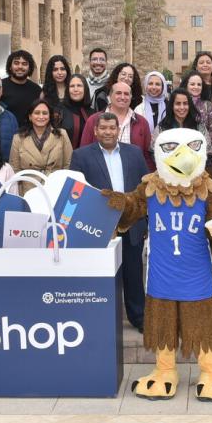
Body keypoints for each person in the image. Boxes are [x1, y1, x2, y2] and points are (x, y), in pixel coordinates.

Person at [71, 112, 149, 333]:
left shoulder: (134, 153)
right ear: (95, 131)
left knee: (133, 273)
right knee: (101, 275)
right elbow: (78, 193)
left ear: (119, 130)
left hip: (132, 223)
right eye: (103, 128)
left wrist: (145, 222)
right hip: (99, 226)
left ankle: (139, 317)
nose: (108, 132)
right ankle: (102, 319)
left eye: (112, 128)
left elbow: (145, 190)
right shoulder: (81, 156)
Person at [81, 82, 153, 171]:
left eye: (126, 94)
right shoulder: (94, 120)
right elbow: (84, 151)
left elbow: (147, 156)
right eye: (118, 93)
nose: (122, 97)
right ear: (110, 96)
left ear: (131, 97)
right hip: (100, 174)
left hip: (133, 176)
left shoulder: (141, 122)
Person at [9, 99, 72, 193]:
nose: (41, 116)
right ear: (30, 116)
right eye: (37, 113)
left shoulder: (62, 135)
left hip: (55, 188)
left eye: (45, 113)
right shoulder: (18, 138)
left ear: (50, 116)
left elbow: (68, 164)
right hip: (29, 190)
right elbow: (15, 169)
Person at [180, 70, 212, 169]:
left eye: (199, 84)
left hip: (205, 154)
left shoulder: (208, 105)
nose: (196, 87)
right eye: (192, 84)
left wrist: (199, 147)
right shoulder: (180, 104)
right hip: (182, 153)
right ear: (186, 85)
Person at [1, 50, 41, 127]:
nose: (20, 67)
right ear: (10, 66)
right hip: (5, 135)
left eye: (24, 64)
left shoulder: (36, 90)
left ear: (29, 68)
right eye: (16, 63)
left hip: (29, 136)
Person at [58, 74, 93, 149]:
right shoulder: (59, 110)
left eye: (79, 86)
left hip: (88, 158)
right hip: (65, 158)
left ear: (85, 89)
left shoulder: (92, 113)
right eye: (72, 86)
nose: (75, 89)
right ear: (67, 90)